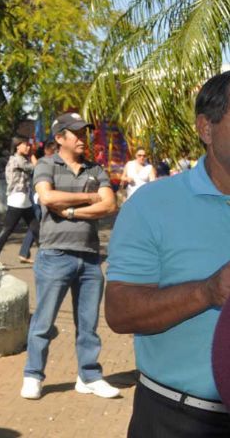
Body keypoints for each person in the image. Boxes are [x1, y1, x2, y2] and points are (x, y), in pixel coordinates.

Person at [106, 70, 230, 437]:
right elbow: (119, 312)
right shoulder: (152, 205)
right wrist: (208, 292)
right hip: (177, 419)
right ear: (206, 128)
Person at [21, 112, 120, 401]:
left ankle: (89, 376)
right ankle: (33, 374)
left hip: (90, 258)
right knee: (43, 321)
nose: (82, 138)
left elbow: (110, 204)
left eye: (84, 132)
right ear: (60, 138)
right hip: (55, 255)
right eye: (75, 133)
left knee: (88, 323)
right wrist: (91, 198)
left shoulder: (95, 169)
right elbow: (48, 198)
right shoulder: (46, 165)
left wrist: (74, 210)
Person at [0, 136, 36, 269]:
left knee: (35, 229)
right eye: (25, 145)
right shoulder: (17, 160)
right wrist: (33, 155)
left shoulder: (20, 159)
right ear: (17, 147)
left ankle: (46, 258)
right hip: (18, 199)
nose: (28, 147)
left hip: (23, 199)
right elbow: (36, 168)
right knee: (7, 229)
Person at [21, 138, 57, 262]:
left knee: (36, 224)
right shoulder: (43, 163)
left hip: (37, 196)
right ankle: (27, 252)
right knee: (37, 224)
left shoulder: (43, 161)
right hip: (38, 197)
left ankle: (24, 252)